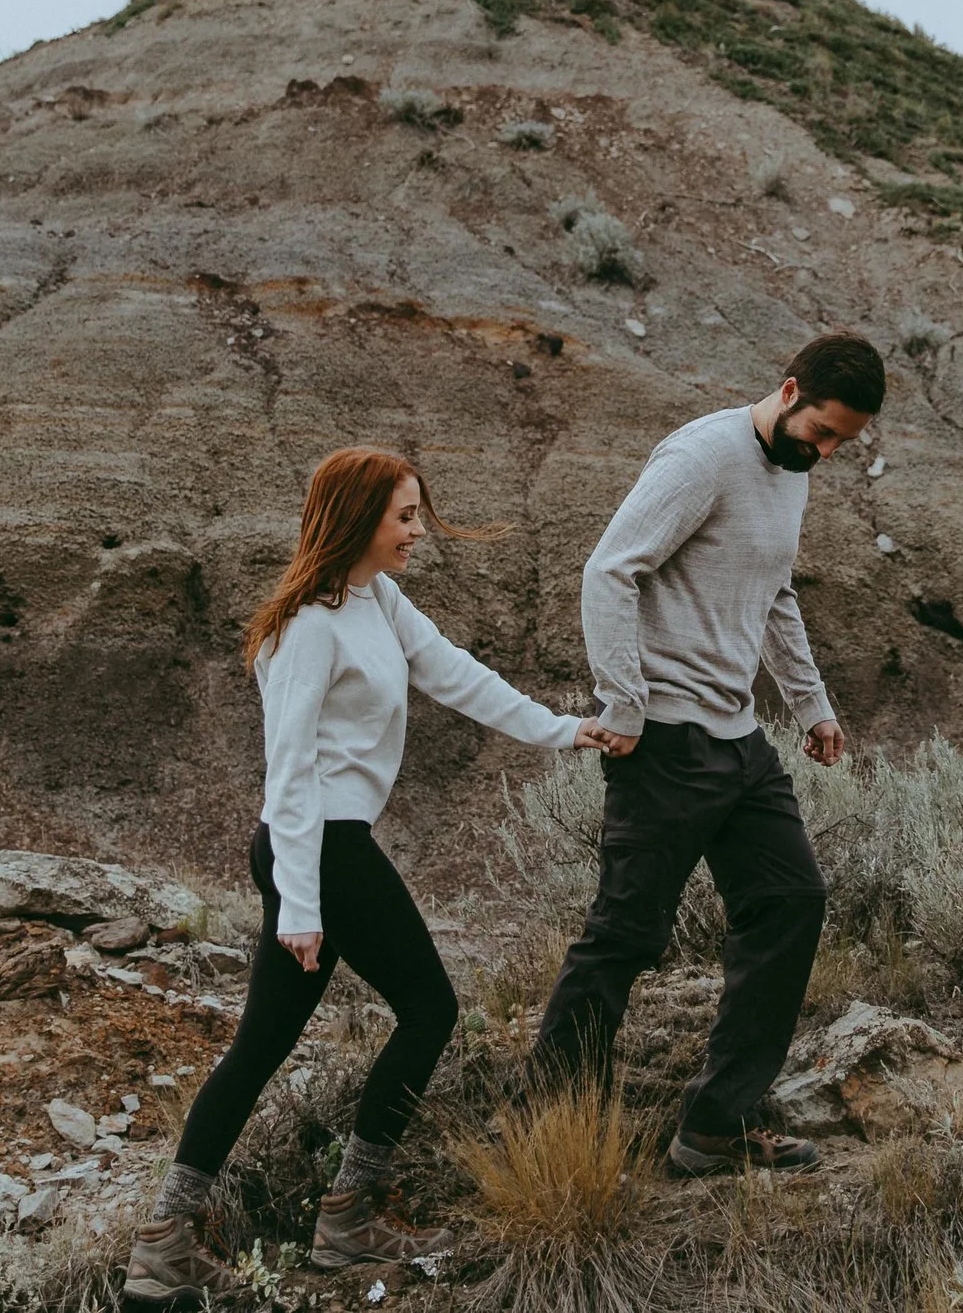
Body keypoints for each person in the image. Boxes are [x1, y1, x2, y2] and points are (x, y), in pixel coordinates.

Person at [127, 446, 618, 1305]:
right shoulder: (309, 624)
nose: (417, 532)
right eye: (404, 516)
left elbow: (456, 673)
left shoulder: (377, 600)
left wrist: (561, 729)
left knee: (262, 1045)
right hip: (320, 843)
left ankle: (165, 1244)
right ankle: (351, 1211)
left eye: (419, 514)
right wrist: (304, 903)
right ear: (359, 518)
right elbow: (288, 775)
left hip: (321, 847)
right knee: (431, 1008)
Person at [530, 332, 885, 1176]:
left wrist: (812, 703)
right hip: (665, 739)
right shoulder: (702, 456)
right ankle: (549, 1131)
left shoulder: (791, 474)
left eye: (844, 443)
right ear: (789, 388)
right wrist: (623, 699)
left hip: (736, 736)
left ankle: (715, 1125)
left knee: (791, 900)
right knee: (624, 935)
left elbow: (776, 593)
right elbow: (609, 570)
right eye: (822, 432)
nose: (828, 453)